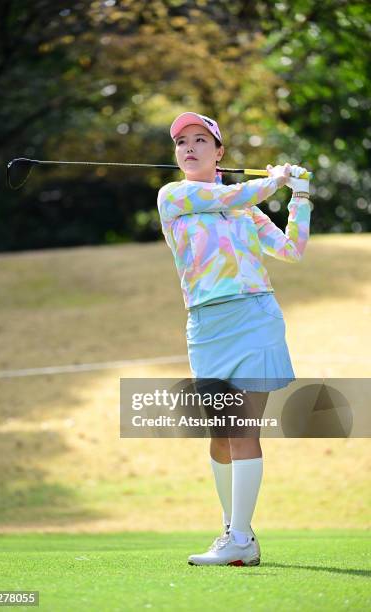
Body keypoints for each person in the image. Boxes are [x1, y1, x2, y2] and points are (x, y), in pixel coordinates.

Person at [156, 112, 312, 566]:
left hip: (254, 317)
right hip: (206, 326)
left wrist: (299, 195)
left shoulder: (244, 207)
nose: (189, 148)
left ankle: (240, 539)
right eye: (182, 141)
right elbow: (235, 192)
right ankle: (233, 532)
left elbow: (291, 250)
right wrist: (277, 179)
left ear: (218, 151)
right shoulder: (175, 196)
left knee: (242, 430)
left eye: (200, 140)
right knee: (220, 435)